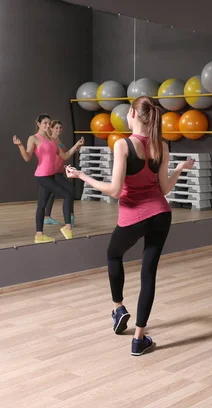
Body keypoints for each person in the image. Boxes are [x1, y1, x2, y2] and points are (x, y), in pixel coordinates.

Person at [66, 96, 194, 356]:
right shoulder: (162, 146)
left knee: (114, 254)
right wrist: (179, 168)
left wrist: (81, 175)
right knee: (148, 274)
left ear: (133, 114)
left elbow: (114, 191)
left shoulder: (123, 145)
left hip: (134, 216)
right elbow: (165, 188)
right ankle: (138, 339)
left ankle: (118, 308)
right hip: (160, 214)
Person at [13, 114, 83, 243]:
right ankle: (68, 228)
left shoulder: (53, 140)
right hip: (42, 176)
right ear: (38, 124)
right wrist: (20, 146)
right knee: (67, 195)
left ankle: (39, 235)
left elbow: (65, 156)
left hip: (50, 175)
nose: (47, 126)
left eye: (48, 123)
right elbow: (27, 158)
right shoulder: (33, 138)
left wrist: (76, 145)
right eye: (44, 123)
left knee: (41, 205)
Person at [44, 120, 76, 226]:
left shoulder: (58, 140)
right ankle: (70, 216)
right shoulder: (52, 140)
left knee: (51, 194)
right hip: (53, 172)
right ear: (51, 128)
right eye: (56, 128)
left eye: (60, 128)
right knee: (70, 189)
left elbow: (61, 156)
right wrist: (75, 146)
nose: (58, 130)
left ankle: (47, 217)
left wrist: (64, 166)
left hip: (59, 170)